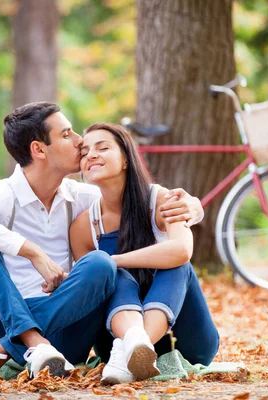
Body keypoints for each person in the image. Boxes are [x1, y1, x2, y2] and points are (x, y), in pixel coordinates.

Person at [0, 102, 204, 379]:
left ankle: (4, 351)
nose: (81, 142)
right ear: (39, 149)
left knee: (101, 264)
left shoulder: (80, 198)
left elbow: (132, 198)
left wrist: (193, 207)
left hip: (63, 333)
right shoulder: (5, 195)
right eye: (67, 134)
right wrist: (32, 252)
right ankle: (32, 343)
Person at [69, 122, 219, 384]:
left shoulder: (161, 200)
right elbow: (90, 291)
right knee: (113, 275)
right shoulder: (83, 226)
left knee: (177, 265)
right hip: (113, 342)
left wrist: (114, 260)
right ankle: (131, 346)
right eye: (84, 152)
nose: (91, 154)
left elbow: (182, 250)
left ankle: (136, 346)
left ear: (126, 159)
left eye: (102, 147)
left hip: (186, 342)